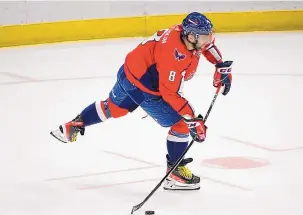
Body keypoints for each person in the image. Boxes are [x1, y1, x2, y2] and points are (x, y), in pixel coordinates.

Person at [50, 12, 233, 191]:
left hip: (128, 73)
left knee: (113, 108)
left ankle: (74, 125)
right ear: (191, 36)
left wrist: (220, 65)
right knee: (181, 123)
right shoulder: (174, 54)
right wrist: (192, 120)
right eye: (203, 37)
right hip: (145, 88)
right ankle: (175, 173)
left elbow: (208, 46)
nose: (208, 40)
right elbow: (169, 93)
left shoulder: (186, 36)